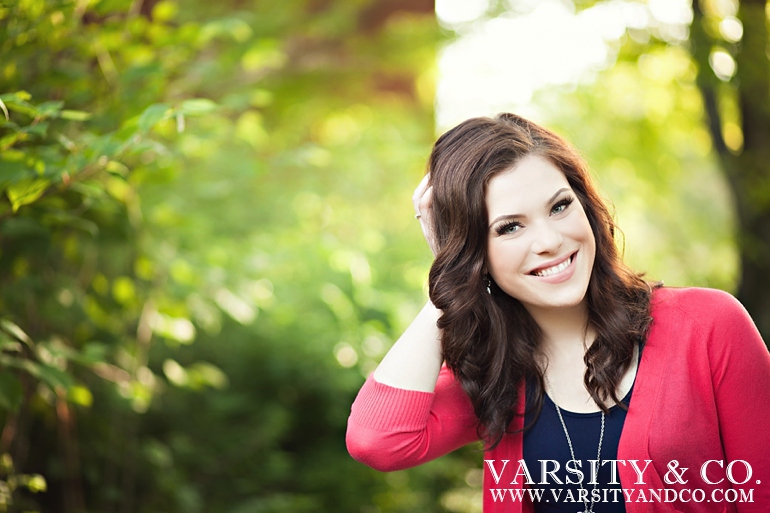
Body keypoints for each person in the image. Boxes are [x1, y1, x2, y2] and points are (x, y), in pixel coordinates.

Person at [345, 113, 770, 512]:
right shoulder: (493, 371)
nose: (549, 239)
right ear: (474, 254)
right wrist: (447, 281)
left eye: (560, 206)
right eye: (509, 227)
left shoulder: (708, 325)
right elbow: (377, 441)